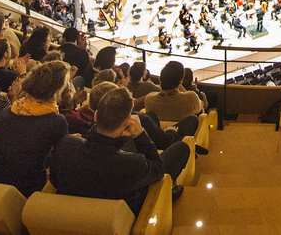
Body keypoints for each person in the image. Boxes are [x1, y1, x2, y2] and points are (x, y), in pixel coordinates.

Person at [49, 87, 189, 209]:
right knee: (182, 147)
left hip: (73, 213)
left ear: (96, 115)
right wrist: (140, 134)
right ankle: (162, 196)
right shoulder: (133, 163)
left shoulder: (66, 144)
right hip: (120, 212)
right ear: (127, 121)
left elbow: (55, 181)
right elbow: (158, 169)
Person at [0, 60, 71, 196]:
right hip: (27, 190)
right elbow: (61, 161)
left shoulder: (10, 110)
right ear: (57, 90)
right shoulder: (56, 121)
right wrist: (71, 143)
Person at [138, 60, 203, 120]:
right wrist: (181, 87)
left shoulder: (149, 99)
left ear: (160, 79)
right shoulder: (191, 98)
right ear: (180, 81)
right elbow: (200, 107)